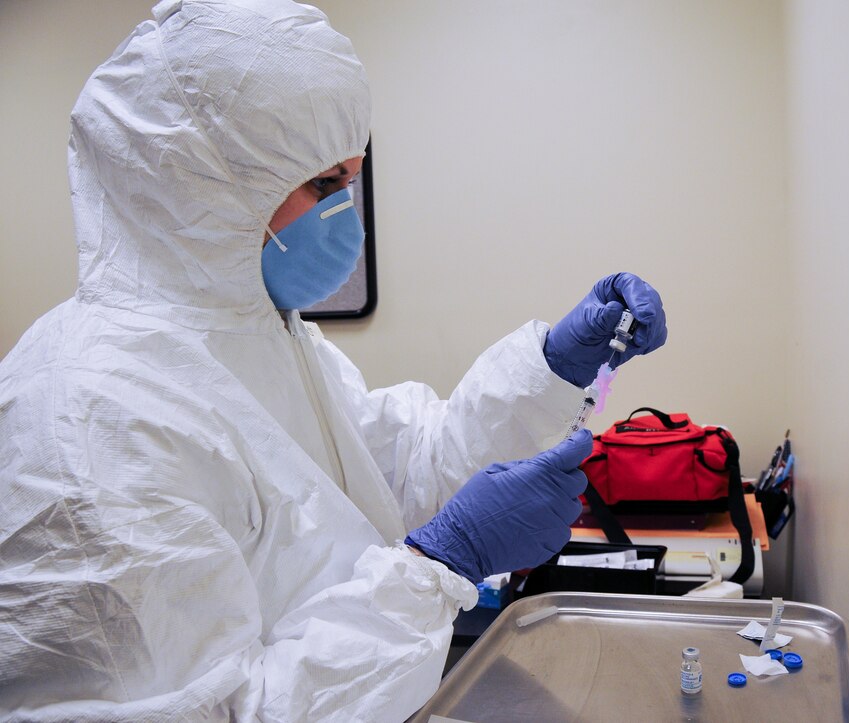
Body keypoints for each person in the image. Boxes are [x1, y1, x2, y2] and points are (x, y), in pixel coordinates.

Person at [0, 1, 667, 721]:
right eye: (323, 184)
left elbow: (407, 471)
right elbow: (224, 711)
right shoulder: (89, 419)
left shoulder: (264, 338)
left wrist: (550, 368)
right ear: (204, 185)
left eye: (352, 178)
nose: (347, 213)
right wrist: (440, 563)